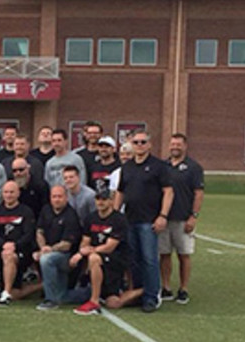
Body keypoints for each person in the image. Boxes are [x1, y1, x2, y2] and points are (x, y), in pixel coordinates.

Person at [114, 130, 173, 312]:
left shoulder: (159, 166)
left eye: (142, 142)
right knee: (134, 260)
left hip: (149, 221)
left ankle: (151, 297)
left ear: (149, 144)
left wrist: (163, 215)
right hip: (130, 219)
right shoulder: (127, 167)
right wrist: (115, 215)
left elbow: (168, 191)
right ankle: (138, 294)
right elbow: (120, 192)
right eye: (136, 142)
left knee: (149, 260)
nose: (139, 145)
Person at [72, 187, 140, 315]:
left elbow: (110, 247)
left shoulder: (119, 219)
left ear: (111, 201)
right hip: (98, 258)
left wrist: (89, 251)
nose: (100, 202)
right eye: (98, 198)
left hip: (116, 259)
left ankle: (94, 301)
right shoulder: (90, 218)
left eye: (104, 199)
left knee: (94, 258)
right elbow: (85, 240)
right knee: (112, 303)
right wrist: (81, 252)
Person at [162, 133, 203, 305]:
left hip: (183, 218)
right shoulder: (163, 166)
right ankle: (166, 287)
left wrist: (193, 216)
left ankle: (183, 289)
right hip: (164, 217)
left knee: (183, 254)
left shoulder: (193, 167)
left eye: (178, 144)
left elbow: (198, 193)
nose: (175, 147)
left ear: (185, 146)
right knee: (164, 254)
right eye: (173, 144)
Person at [34, 186, 82, 311]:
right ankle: (91, 292)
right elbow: (39, 232)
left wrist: (48, 250)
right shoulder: (46, 210)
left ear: (66, 198)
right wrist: (42, 248)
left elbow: (67, 245)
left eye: (60, 196)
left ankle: (50, 300)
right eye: (54, 196)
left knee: (46, 260)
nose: (57, 199)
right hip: (49, 251)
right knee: (62, 296)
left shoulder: (71, 215)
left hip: (66, 257)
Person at [0, 181, 37, 307]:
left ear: (18, 193)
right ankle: (42, 285)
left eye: (12, 192)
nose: (8, 195)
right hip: (2, 252)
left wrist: (15, 245)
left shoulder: (26, 211)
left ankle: (5, 294)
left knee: (9, 256)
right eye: (6, 192)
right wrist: (3, 244)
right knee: (15, 294)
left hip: (21, 252)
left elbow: (29, 234)